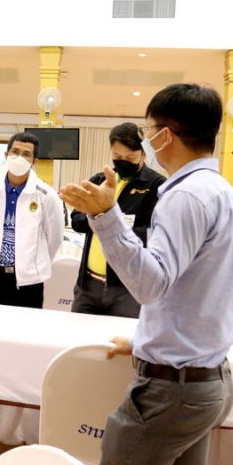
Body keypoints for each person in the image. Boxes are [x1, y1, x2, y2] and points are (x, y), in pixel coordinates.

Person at [59, 83, 233, 465]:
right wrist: (148, 338)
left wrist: (106, 216)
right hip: (207, 377)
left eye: (147, 131)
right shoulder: (223, 192)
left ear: (165, 136)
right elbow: (199, 288)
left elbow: (150, 285)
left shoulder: (184, 196)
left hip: (173, 392)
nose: (145, 140)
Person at [70, 122, 166, 318]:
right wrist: (94, 220)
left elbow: (155, 232)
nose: (123, 161)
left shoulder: (156, 185)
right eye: (117, 156)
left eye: (130, 157)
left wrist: (113, 225)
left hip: (127, 288)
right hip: (88, 285)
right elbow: (76, 220)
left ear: (143, 153)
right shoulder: (99, 181)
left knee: (120, 338)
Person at [0, 132, 64, 308]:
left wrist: (34, 263)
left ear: (34, 161)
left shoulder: (46, 195)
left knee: (27, 325)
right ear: (6, 155)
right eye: (15, 152)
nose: (19, 158)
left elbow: (55, 237)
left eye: (26, 154)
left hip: (29, 281)